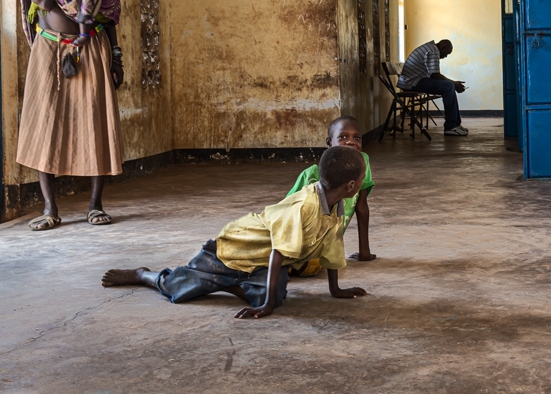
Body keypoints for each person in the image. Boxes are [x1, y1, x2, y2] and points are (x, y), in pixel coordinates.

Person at [101, 146, 368, 319]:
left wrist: (336, 290)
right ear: (352, 185)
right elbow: (278, 253)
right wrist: (266, 308)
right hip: (233, 249)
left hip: (260, 262)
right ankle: (144, 275)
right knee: (180, 287)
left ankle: (231, 285)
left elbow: (333, 247)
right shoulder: (304, 206)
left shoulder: (337, 205)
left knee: (276, 294)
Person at [16, 0, 125, 231]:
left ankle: (95, 205)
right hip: (48, 47)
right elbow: (45, 1)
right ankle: (50, 208)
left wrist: (117, 55)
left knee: (94, 120)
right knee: (42, 122)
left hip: (89, 44)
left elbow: (105, 12)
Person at [286, 116, 376, 262]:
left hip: (326, 246)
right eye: (343, 136)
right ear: (329, 142)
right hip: (299, 245)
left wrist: (364, 252)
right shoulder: (312, 175)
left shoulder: (362, 162)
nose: (351, 141)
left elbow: (361, 205)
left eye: (357, 138)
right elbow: (286, 214)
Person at [398, 39, 468, 136]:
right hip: (411, 82)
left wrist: (453, 84)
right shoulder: (433, 50)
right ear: (443, 47)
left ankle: (455, 124)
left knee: (449, 86)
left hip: (412, 81)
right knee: (448, 86)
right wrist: (454, 83)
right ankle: (451, 126)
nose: (445, 57)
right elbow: (435, 75)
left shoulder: (430, 47)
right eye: (446, 53)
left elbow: (432, 75)